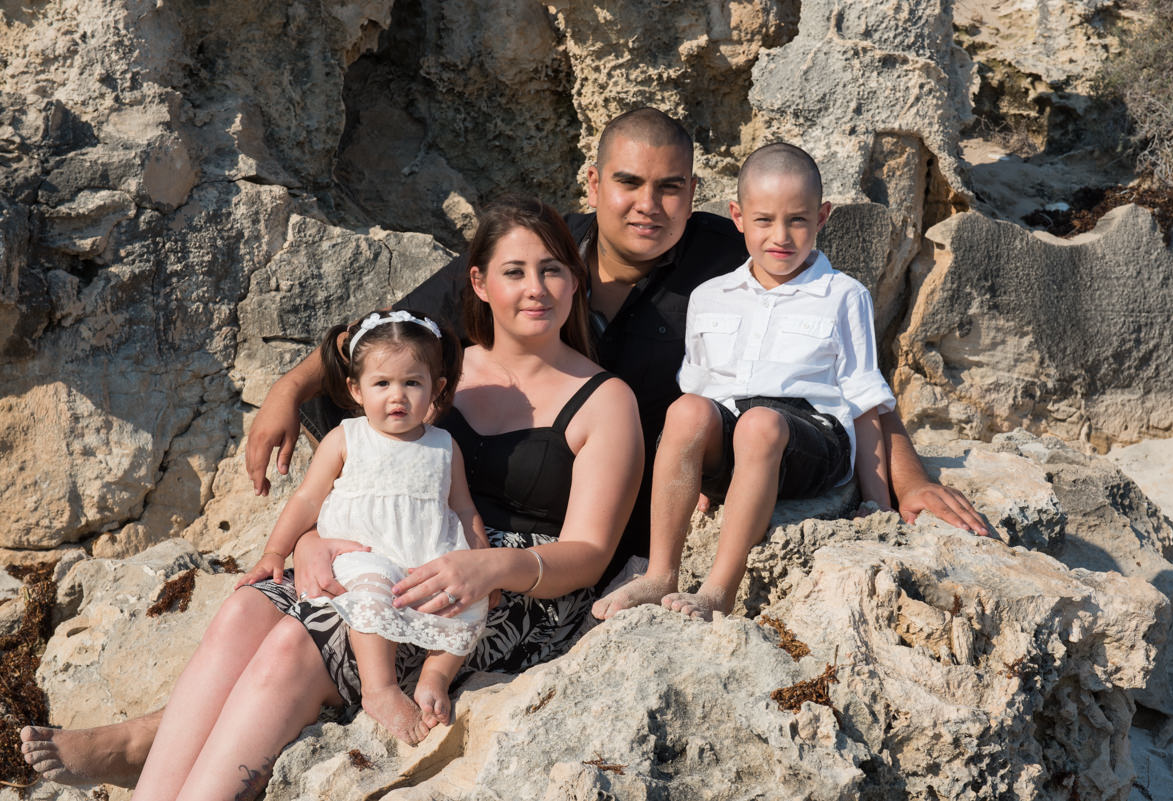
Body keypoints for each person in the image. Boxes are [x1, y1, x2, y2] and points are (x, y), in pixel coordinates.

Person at [22, 196, 643, 797]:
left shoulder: (605, 398)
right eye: (515, 271)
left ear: (576, 278)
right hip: (385, 548)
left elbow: (588, 551)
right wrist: (315, 538)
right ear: (478, 283)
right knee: (245, 610)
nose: (536, 288)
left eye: (552, 270)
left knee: (298, 642)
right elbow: (366, 467)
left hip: (505, 587)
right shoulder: (430, 367)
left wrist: (488, 566)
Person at [242, 108, 987, 604]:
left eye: (670, 188)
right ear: (593, 183)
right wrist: (292, 384)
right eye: (628, 182)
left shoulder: (732, 261)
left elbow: (845, 370)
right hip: (485, 511)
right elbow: (400, 330)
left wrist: (910, 477)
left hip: (607, 538)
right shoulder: (540, 256)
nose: (648, 205)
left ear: (697, 194)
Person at [626, 142, 896, 621]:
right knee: (685, 409)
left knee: (761, 424)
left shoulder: (843, 295)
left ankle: (718, 589)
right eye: (765, 219)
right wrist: (699, 477)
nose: (782, 236)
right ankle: (659, 573)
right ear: (737, 216)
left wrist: (877, 501)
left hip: (813, 441)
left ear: (823, 216)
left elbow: (862, 397)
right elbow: (702, 391)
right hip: (739, 436)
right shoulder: (711, 296)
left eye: (798, 220)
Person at [236, 308, 490, 746]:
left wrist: (481, 557)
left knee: (470, 606)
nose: (398, 396)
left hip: (427, 555)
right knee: (372, 594)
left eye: (413, 383)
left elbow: (463, 507)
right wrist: (276, 551)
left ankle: (435, 675)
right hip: (364, 554)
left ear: (438, 389)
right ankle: (381, 688)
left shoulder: (444, 446)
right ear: (355, 389)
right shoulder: (346, 437)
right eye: (382, 384)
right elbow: (307, 499)